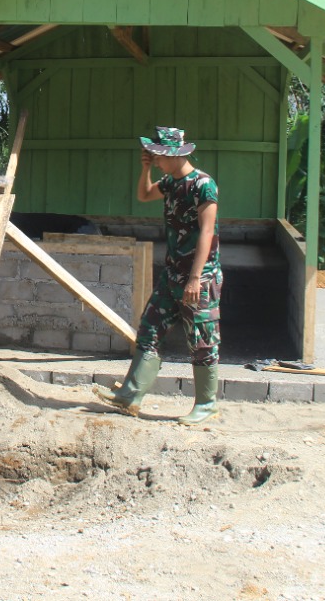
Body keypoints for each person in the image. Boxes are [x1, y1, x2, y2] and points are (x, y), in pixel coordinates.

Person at [93, 126, 222, 425]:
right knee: (150, 326)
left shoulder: (204, 185)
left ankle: (206, 404)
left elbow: (206, 233)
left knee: (202, 337)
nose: (154, 157)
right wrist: (145, 169)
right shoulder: (170, 182)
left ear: (175, 155)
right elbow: (144, 193)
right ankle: (130, 395)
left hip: (198, 278)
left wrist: (195, 278)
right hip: (172, 273)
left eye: (158, 155)